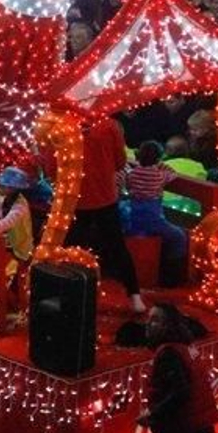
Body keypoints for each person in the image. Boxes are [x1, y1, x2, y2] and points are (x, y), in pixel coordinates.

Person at [141, 303, 218, 433]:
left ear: (168, 326)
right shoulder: (187, 347)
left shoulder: (169, 354)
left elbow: (180, 392)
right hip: (198, 428)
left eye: (155, 320)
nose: (148, 324)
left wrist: (152, 414)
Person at [66, 115, 146, 314]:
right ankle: (134, 296)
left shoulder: (61, 125)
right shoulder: (109, 125)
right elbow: (120, 162)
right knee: (118, 247)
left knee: (67, 248)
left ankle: (67, 294)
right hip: (105, 196)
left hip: (73, 198)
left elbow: (51, 168)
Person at [123, 140, 196, 285]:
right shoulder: (159, 176)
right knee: (179, 237)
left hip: (133, 216)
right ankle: (171, 277)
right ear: (158, 158)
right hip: (153, 219)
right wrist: (161, 165)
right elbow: (172, 174)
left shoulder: (132, 174)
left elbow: (128, 183)